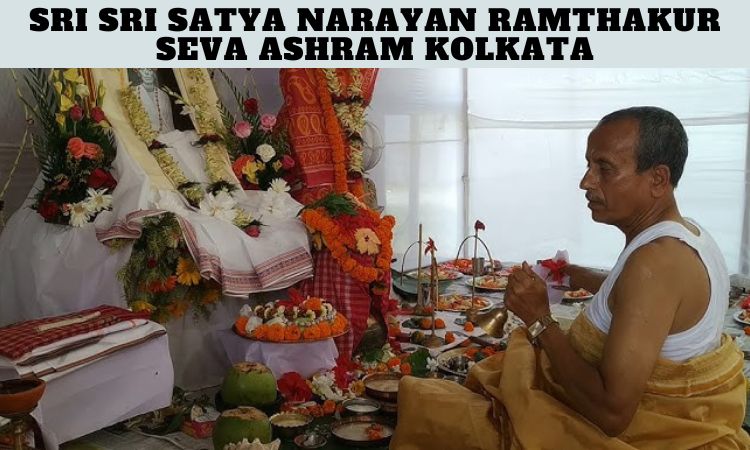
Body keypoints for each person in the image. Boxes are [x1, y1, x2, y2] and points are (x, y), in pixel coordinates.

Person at [391, 107, 750, 449]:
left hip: (628, 435)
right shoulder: (688, 235)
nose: (586, 182)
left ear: (658, 179)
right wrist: (575, 275)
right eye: (588, 165)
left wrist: (539, 320)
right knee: (475, 382)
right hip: (664, 422)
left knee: (422, 402)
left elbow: (611, 414)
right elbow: (633, 295)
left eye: (604, 168)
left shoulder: (654, 264)